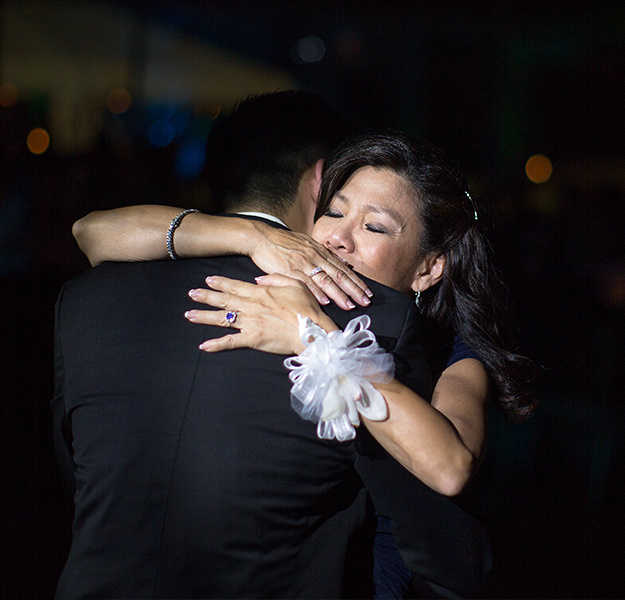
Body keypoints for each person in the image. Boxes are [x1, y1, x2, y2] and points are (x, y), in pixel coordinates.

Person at [73, 131, 535, 598]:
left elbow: (450, 468)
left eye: (373, 227)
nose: (337, 237)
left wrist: (315, 336)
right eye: (333, 212)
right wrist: (252, 235)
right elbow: (89, 232)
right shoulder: (273, 290)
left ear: (429, 268)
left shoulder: (454, 355)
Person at [51, 91, 433, 598]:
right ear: (321, 180)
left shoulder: (86, 298)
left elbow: (77, 472)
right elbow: (416, 522)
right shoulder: (370, 321)